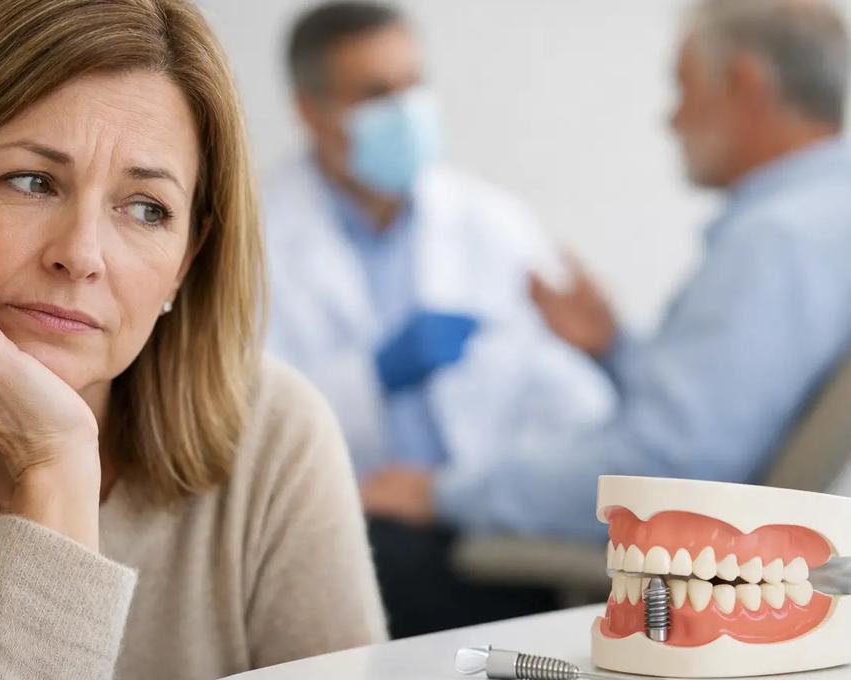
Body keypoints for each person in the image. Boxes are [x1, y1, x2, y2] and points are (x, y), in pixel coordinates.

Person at [0, 1, 386, 677]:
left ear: (186, 257)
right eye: (32, 182)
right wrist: (54, 466)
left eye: (146, 209)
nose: (81, 254)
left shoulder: (275, 434)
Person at [360, 0, 851, 537]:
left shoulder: (781, 245)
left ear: (745, 85)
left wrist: (444, 494)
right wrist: (613, 349)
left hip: (660, 574)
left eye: (684, 87)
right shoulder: (842, 220)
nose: (671, 118)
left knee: (378, 543)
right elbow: (717, 421)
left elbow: (666, 473)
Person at [262, 1, 615, 636]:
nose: (405, 111)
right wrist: (370, 379)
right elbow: (241, 417)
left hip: (481, 514)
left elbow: (572, 400)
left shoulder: (491, 223)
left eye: (413, 85)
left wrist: (487, 483)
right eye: (375, 93)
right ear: (310, 111)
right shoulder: (256, 239)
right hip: (346, 515)